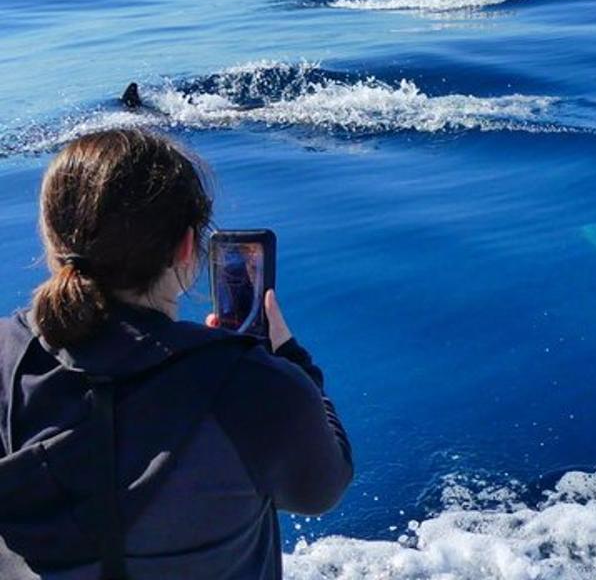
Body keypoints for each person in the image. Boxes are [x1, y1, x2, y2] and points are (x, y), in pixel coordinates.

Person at [0, 129, 353, 579]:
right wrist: (293, 364)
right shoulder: (253, 383)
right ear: (187, 247)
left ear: (51, 240)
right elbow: (323, 489)